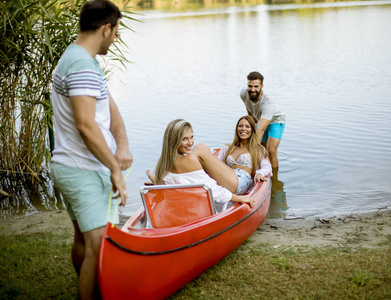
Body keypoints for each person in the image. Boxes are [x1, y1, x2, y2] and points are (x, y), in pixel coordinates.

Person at [50, 1, 133, 299]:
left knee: (85, 242)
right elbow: (86, 125)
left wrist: (121, 144)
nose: (118, 37)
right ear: (105, 28)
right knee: (99, 247)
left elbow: (108, 109)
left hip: (71, 166)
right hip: (83, 169)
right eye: (117, 30)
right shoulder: (82, 65)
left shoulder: (79, 59)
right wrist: (114, 168)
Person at [146, 119, 254, 210]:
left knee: (200, 148)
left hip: (234, 177)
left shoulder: (164, 161)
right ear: (174, 140)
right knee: (201, 149)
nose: (190, 143)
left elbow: (178, 183)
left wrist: (159, 183)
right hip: (238, 184)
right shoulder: (189, 161)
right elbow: (211, 189)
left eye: (191, 137)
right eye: (184, 139)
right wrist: (239, 198)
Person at [217, 115, 272, 195]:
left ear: (252, 130)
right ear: (237, 129)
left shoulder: (258, 149)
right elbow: (217, 163)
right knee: (203, 149)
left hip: (242, 180)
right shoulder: (228, 148)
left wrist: (260, 173)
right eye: (240, 126)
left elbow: (267, 166)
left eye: (247, 126)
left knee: (202, 149)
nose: (243, 129)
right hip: (227, 176)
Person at [240, 71, 286, 168]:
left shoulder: (268, 101)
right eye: (250, 86)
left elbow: (260, 129)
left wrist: (252, 150)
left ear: (262, 86)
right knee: (262, 150)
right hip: (260, 120)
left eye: (256, 86)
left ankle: (273, 177)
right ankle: (263, 169)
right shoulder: (243, 93)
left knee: (270, 151)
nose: (253, 89)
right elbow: (249, 110)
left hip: (276, 121)